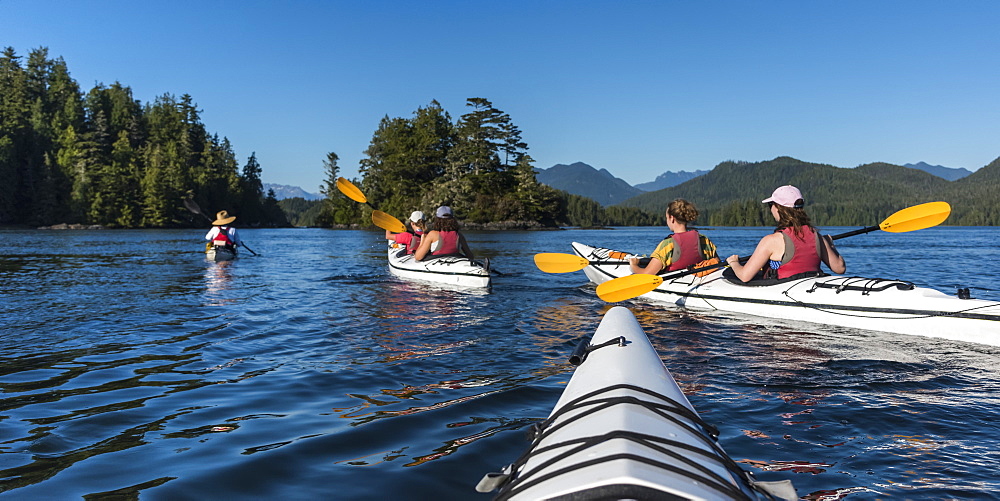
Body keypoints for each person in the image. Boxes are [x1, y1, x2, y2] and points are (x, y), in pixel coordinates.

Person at [726, 185, 846, 282]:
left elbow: (744, 276)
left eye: (770, 205)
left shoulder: (771, 241)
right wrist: (830, 245)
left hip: (783, 291)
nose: (770, 209)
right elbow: (840, 268)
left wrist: (734, 262)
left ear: (778, 208)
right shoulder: (817, 236)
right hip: (808, 286)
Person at [629, 199, 719, 275]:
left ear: (672, 218)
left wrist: (634, 265)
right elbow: (717, 262)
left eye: (667, 218)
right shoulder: (704, 240)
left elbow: (647, 274)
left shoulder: (667, 245)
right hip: (696, 279)